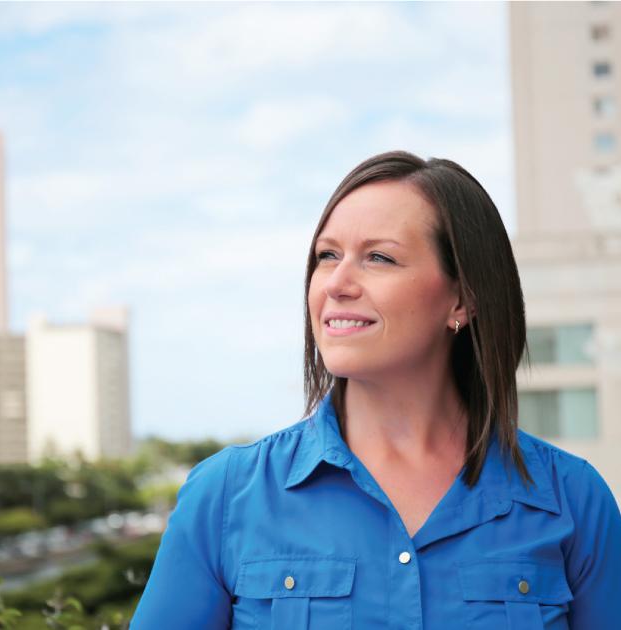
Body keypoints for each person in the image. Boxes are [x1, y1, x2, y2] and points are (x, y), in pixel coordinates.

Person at [129, 151, 621, 629]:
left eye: (379, 258)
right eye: (327, 256)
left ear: (463, 297)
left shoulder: (574, 500)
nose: (337, 283)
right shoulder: (225, 495)